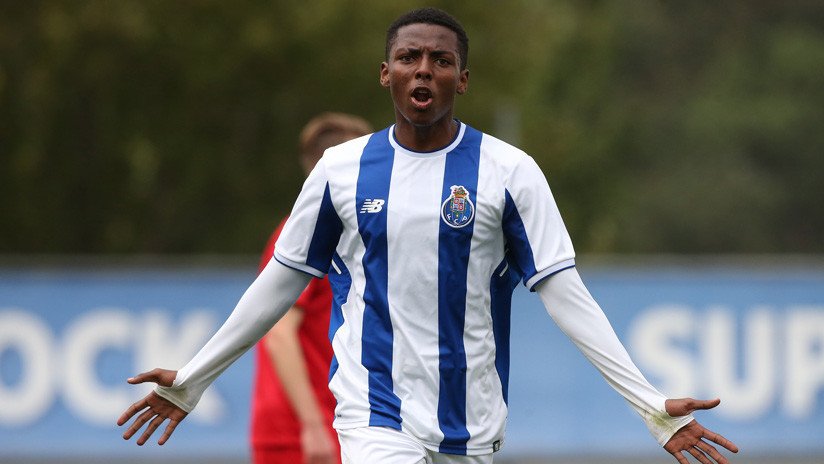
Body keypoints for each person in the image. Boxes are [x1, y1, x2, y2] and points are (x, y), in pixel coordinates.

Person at [118, 7, 739, 464]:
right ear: (384, 74)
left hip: (472, 422)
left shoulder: (509, 173)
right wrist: (193, 380)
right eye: (409, 58)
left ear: (461, 79)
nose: (424, 70)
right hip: (372, 412)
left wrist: (651, 407)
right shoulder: (341, 171)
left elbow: (568, 297)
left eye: (441, 60)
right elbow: (275, 287)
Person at [250, 113, 372, 464]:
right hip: (301, 433)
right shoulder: (301, 234)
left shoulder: (352, 235)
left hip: (340, 424)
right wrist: (313, 425)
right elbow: (279, 332)